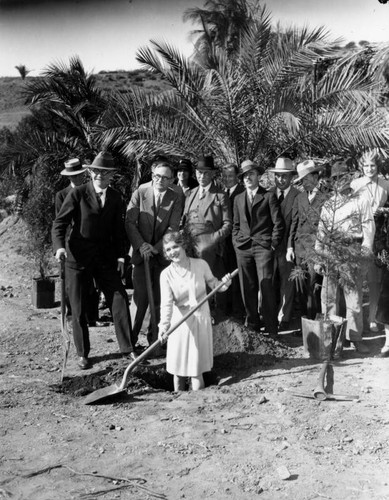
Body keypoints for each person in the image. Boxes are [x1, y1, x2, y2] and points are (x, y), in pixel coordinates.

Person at [52, 151, 135, 370]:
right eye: (96, 171)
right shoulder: (78, 194)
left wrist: (120, 255)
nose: (100, 176)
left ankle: (128, 348)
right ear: (90, 173)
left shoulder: (116, 198)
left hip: (105, 257)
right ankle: (82, 354)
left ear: (111, 176)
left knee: (119, 298)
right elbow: (59, 223)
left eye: (105, 173)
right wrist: (59, 247)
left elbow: (118, 230)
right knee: (78, 307)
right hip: (77, 257)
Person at [158, 231, 231, 391]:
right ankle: (178, 404)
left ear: (183, 245)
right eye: (168, 250)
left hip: (200, 321)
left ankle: (197, 407)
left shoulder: (200, 265)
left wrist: (225, 283)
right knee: (178, 371)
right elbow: (166, 304)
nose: (172, 252)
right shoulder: (166, 275)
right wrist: (163, 327)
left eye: (175, 246)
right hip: (179, 325)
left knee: (196, 371)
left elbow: (215, 285)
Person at [315, 162, 375, 354]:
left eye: (342, 177)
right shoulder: (328, 204)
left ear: (349, 178)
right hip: (331, 252)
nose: (339, 182)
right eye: (335, 179)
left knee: (354, 297)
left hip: (352, 250)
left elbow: (368, 228)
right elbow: (322, 232)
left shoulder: (361, 200)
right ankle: (332, 338)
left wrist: (365, 250)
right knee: (329, 297)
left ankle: (355, 337)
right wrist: (319, 256)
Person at [125, 161, 183, 353]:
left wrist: (155, 248)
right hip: (141, 256)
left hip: (161, 256)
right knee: (140, 300)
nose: (160, 180)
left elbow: (173, 227)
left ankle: (155, 343)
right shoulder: (140, 192)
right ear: (152, 175)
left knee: (160, 301)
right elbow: (130, 222)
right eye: (157, 176)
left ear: (172, 180)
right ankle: (130, 343)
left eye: (165, 178)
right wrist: (141, 246)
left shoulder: (176, 197)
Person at [232, 159, 284, 335]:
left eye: (251, 174)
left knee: (267, 287)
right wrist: (236, 243)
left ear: (258, 176)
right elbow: (236, 225)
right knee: (247, 287)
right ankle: (253, 326)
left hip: (263, 248)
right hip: (243, 248)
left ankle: (271, 328)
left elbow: (278, 223)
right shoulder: (238, 198)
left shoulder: (268, 196)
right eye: (245, 175)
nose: (248, 178)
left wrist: (272, 244)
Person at [55, 158, 100, 327]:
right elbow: (61, 221)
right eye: (72, 176)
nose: (76, 179)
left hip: (90, 244)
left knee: (92, 284)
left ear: (84, 174)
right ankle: (72, 315)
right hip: (71, 245)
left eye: (79, 175)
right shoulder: (61, 195)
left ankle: (91, 316)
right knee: (71, 284)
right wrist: (62, 246)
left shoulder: (92, 192)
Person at [351, 149, 389, 333]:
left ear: (378, 165)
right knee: (357, 279)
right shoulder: (355, 184)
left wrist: (383, 211)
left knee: (375, 281)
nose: (369, 169)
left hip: (379, 238)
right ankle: (355, 321)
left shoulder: (385, 185)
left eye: (372, 165)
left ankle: (372, 317)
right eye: (365, 165)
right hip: (359, 236)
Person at [287, 160, 328, 320]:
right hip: (299, 250)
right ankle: (305, 323)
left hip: (315, 250)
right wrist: (290, 247)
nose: (303, 183)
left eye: (305, 179)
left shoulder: (326, 196)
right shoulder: (300, 197)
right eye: (301, 180)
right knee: (301, 289)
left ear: (315, 177)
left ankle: (314, 322)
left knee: (313, 288)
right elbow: (294, 223)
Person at [182, 155, 232, 279]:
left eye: (206, 173)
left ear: (212, 174)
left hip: (210, 244)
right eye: (199, 173)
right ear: (195, 173)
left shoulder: (220, 195)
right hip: (190, 243)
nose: (202, 176)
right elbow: (184, 220)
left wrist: (212, 240)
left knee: (205, 282)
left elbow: (228, 224)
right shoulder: (190, 194)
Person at [267, 158, 299, 329]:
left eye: (284, 176)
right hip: (270, 247)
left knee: (287, 284)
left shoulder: (297, 196)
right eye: (278, 176)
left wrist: (290, 246)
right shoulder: (268, 193)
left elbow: (296, 224)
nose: (280, 180)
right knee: (268, 283)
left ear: (291, 178)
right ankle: (267, 316)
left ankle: (284, 318)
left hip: (288, 246)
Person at [221, 162, 245, 317]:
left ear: (237, 177)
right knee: (225, 277)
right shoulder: (221, 192)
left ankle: (238, 312)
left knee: (237, 279)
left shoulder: (242, 192)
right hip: (223, 243)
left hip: (238, 242)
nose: (227, 179)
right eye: (224, 176)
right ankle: (226, 309)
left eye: (230, 176)